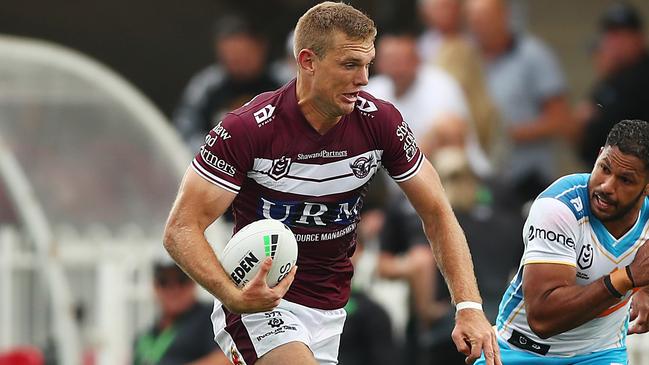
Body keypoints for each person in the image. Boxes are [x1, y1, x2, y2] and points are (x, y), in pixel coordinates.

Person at [163, 2, 500, 365]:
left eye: (368, 64)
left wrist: (469, 306)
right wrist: (232, 295)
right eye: (350, 64)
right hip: (260, 304)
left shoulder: (380, 122)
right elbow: (180, 229)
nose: (364, 79)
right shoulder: (247, 129)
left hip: (330, 311)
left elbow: (437, 211)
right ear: (308, 61)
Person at [476, 119, 649, 364]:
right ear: (599, 155)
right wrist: (628, 278)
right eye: (604, 169)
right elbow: (542, 319)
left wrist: (645, 289)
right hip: (521, 350)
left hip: (600, 354)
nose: (607, 186)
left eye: (626, 180)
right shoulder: (559, 207)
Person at [466, 0, 572, 202]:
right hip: (481, 182)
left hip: (528, 180)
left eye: (485, 20)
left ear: (504, 17)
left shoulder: (534, 55)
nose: (479, 28)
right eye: (474, 22)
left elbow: (560, 119)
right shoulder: (467, 59)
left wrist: (504, 134)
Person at [173, 14, 281, 151]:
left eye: (244, 55)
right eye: (230, 57)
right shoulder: (206, 86)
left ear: (261, 47)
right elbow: (184, 129)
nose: (238, 63)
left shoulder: (284, 83)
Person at [578, 3, 649, 167]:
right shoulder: (613, 79)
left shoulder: (640, 76)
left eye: (622, 36)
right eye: (611, 36)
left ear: (638, 38)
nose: (615, 43)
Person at [132, 254, 228, 365]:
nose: (173, 289)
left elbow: (229, 358)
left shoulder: (212, 317)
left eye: (181, 281)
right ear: (155, 286)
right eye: (164, 282)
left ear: (193, 282)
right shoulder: (144, 338)